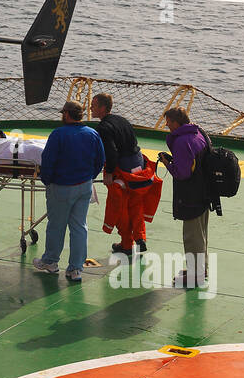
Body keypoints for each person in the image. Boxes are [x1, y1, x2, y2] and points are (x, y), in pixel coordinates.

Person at [34, 99, 105, 282]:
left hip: (61, 187)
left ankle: (50, 261)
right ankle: (75, 269)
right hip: (84, 186)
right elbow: (100, 160)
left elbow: (48, 161)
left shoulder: (58, 134)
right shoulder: (92, 134)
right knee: (79, 227)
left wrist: (47, 181)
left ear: (66, 114)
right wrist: (89, 176)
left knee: (56, 226)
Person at [90, 94, 159, 258]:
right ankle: (140, 237)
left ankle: (127, 244)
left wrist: (109, 172)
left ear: (102, 108)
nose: (90, 108)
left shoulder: (104, 128)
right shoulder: (122, 120)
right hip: (139, 167)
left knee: (120, 207)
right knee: (136, 204)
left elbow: (112, 152)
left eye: (93, 105)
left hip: (124, 172)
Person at [157, 107, 213, 288]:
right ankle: (201, 269)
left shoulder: (182, 141)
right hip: (204, 192)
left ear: (176, 122)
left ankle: (195, 275)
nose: (167, 125)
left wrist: (167, 163)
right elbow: (192, 164)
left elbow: (182, 174)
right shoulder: (198, 133)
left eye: (169, 122)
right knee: (201, 233)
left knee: (192, 236)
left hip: (191, 196)